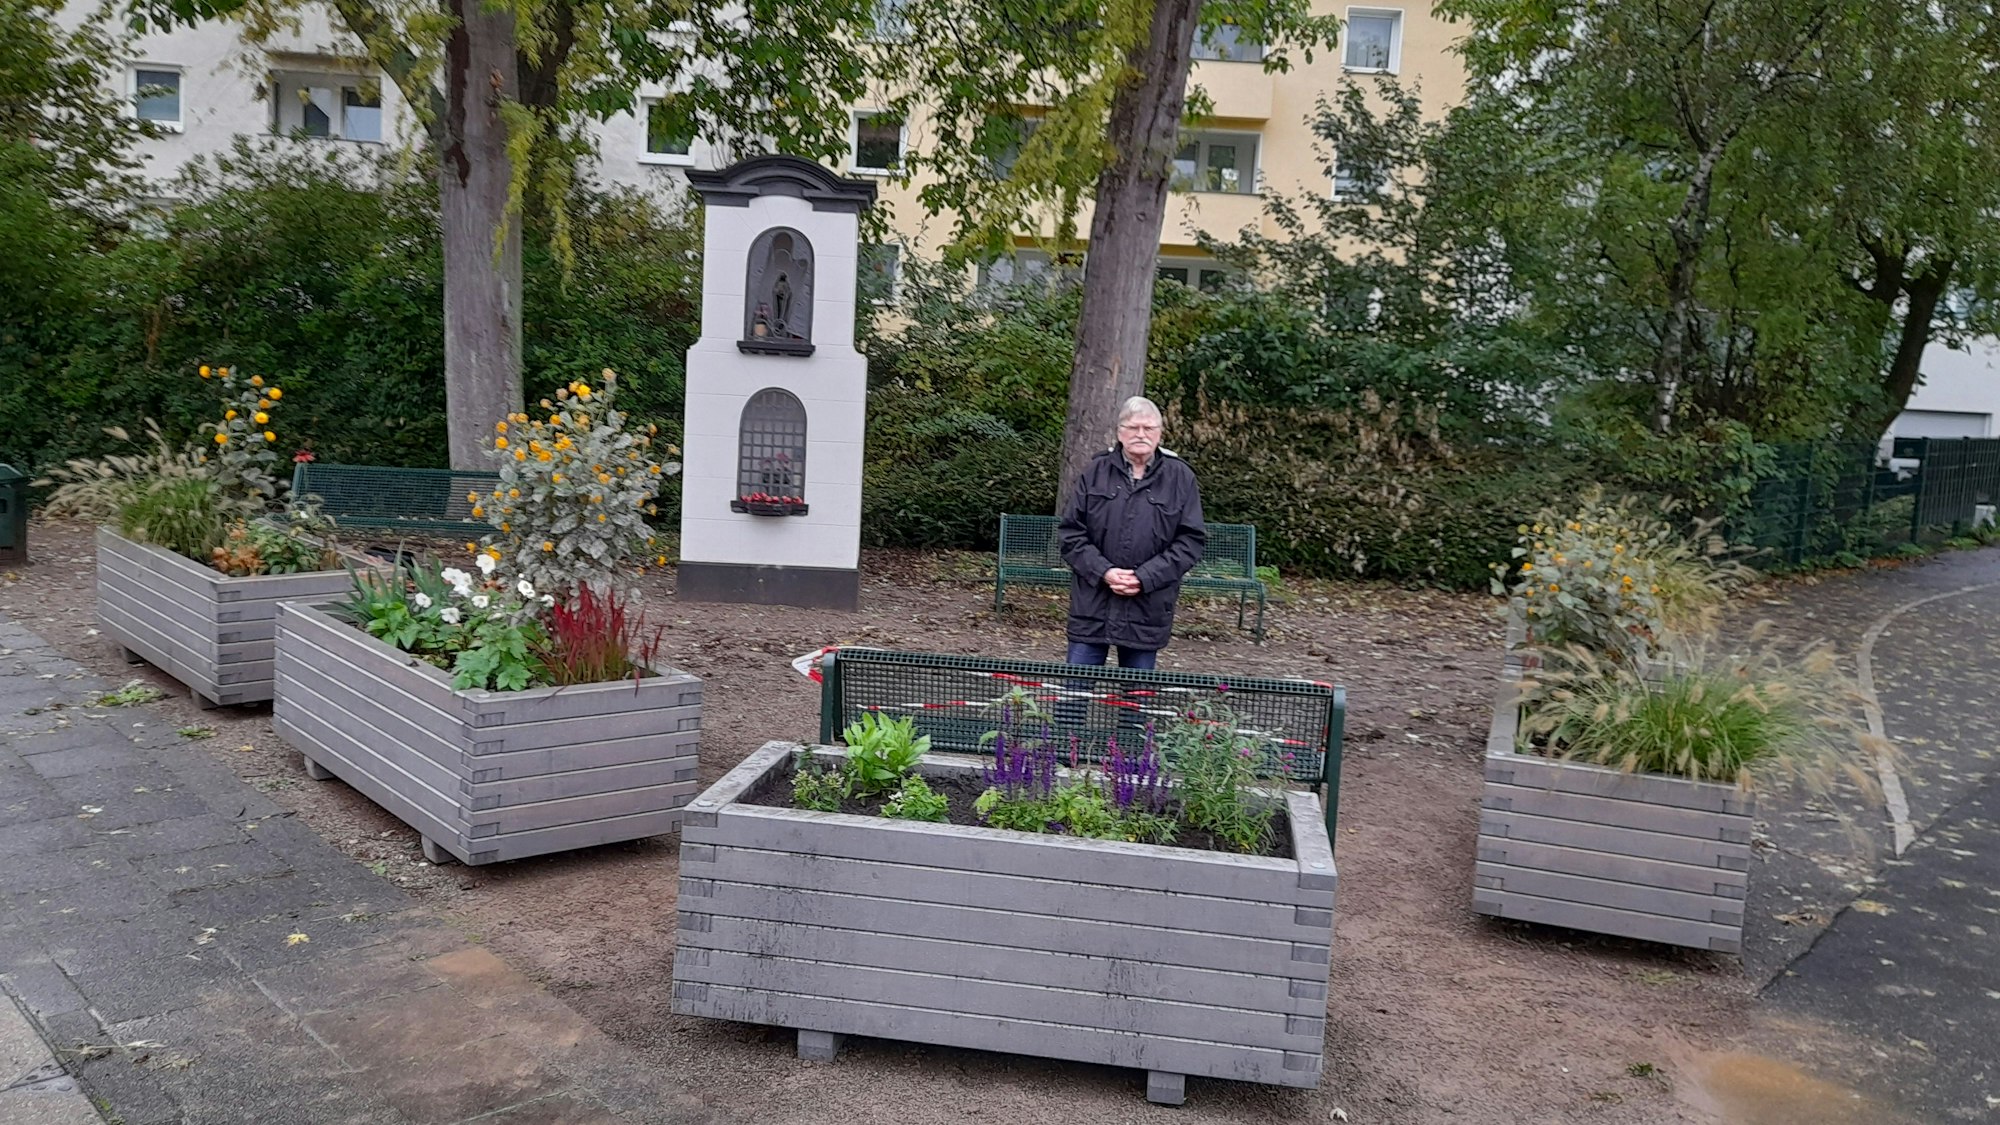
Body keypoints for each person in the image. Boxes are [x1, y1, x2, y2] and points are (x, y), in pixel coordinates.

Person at [1057, 396, 1207, 670]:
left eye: (1149, 428)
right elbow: (1070, 534)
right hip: (1092, 606)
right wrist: (1105, 572)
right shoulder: (1094, 471)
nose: (1141, 434)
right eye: (1133, 427)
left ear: (1160, 433)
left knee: (1136, 701)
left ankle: (1134, 715)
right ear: (1119, 432)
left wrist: (1144, 577)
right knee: (1072, 698)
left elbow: (1190, 541)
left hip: (1147, 609)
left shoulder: (1181, 477)